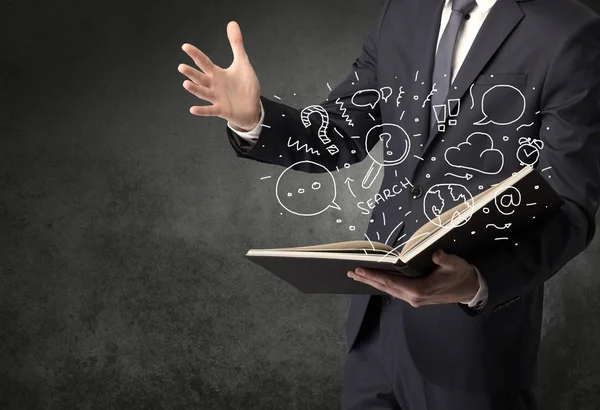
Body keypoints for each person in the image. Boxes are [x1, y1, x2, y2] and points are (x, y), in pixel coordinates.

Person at [177, 0, 600, 408]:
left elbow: (568, 204)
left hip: (473, 348)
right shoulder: (404, 10)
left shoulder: (569, 32)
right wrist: (254, 119)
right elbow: (342, 132)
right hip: (374, 333)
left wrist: (479, 280)